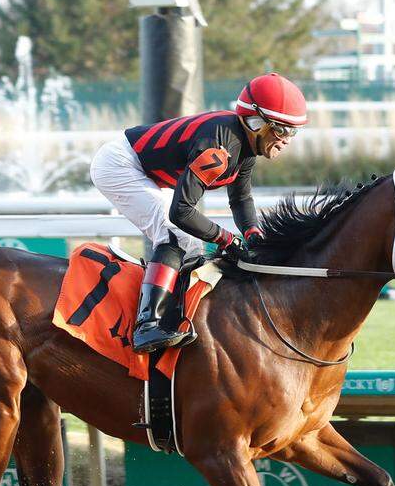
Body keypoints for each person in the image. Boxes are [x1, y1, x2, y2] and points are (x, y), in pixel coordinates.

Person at [89, 72, 307, 354]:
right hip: (118, 165)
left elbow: (241, 198)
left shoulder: (245, 145)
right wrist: (228, 239)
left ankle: (174, 318)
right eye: (281, 130)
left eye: (292, 132)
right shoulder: (218, 146)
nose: (287, 140)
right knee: (175, 235)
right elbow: (181, 212)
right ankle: (147, 325)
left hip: (139, 168)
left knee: (191, 246)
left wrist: (253, 234)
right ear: (256, 123)